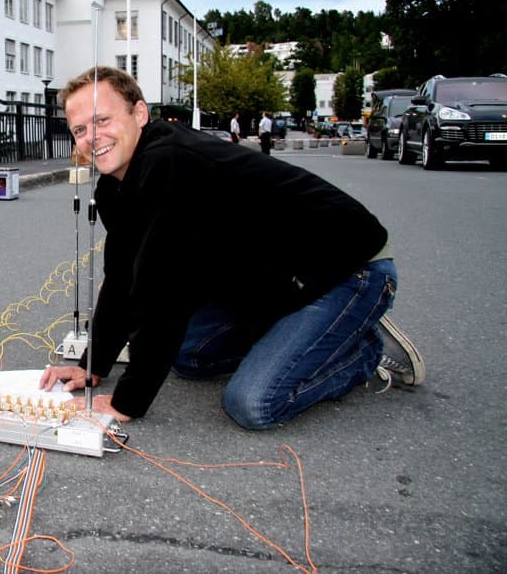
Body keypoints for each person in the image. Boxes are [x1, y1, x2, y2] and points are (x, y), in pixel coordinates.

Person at [39, 66, 423, 430]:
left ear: (139, 113)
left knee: (252, 404)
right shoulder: (113, 186)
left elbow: (166, 289)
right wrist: (94, 365)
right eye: (79, 129)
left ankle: (361, 349)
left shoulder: (171, 162)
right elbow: (123, 276)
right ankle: (305, 338)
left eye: (102, 120)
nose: (92, 137)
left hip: (347, 269)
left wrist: (127, 402)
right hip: (275, 281)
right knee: (187, 355)